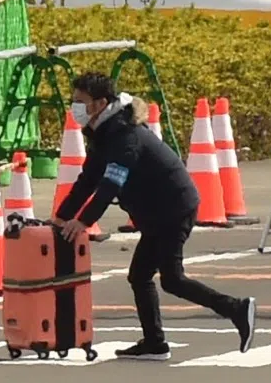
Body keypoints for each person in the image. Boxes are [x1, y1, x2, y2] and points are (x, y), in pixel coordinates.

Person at [52, 73, 256, 361]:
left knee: (171, 279)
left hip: (173, 209)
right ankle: (154, 343)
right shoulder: (104, 132)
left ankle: (237, 308)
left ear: (100, 103)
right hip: (156, 212)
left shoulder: (124, 137)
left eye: (80, 102)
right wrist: (60, 218)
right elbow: (88, 179)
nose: (75, 108)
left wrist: (82, 221)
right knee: (140, 276)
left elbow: (111, 184)